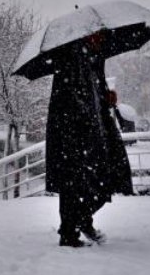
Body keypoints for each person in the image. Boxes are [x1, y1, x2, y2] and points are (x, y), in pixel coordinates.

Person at [45, 33, 134, 247]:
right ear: (88, 36)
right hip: (74, 134)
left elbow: (93, 93)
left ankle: (81, 221)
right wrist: (89, 115)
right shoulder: (72, 58)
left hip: (92, 131)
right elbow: (72, 98)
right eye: (99, 35)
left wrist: (106, 97)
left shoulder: (94, 58)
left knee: (102, 177)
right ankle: (69, 232)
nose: (102, 39)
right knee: (76, 182)